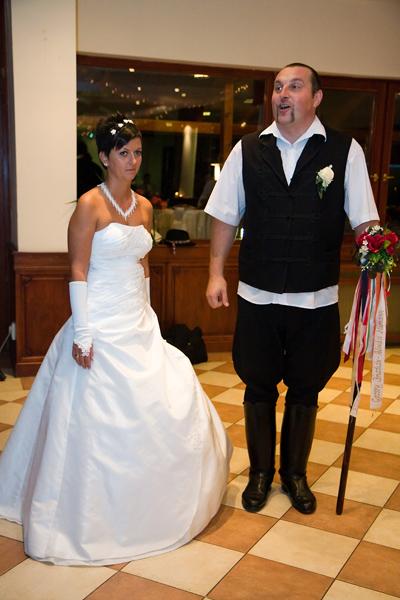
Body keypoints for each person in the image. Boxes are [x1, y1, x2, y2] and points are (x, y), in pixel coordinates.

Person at [0, 114, 231, 565]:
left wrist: (149, 315)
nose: (133, 160)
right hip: (100, 320)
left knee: (167, 396)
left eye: (138, 152)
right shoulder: (90, 205)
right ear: (105, 157)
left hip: (136, 319)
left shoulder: (144, 207)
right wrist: (83, 331)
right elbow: (77, 268)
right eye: (124, 153)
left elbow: (142, 264)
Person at [205, 63, 379, 515]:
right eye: (278, 87)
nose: (282, 94)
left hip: (315, 298)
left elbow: (364, 220)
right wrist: (216, 272)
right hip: (257, 295)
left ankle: (295, 475)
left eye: (294, 87)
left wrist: (374, 261)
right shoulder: (247, 150)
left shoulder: (345, 151)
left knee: (306, 388)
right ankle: (261, 474)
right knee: (257, 386)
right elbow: (225, 215)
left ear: (316, 98)